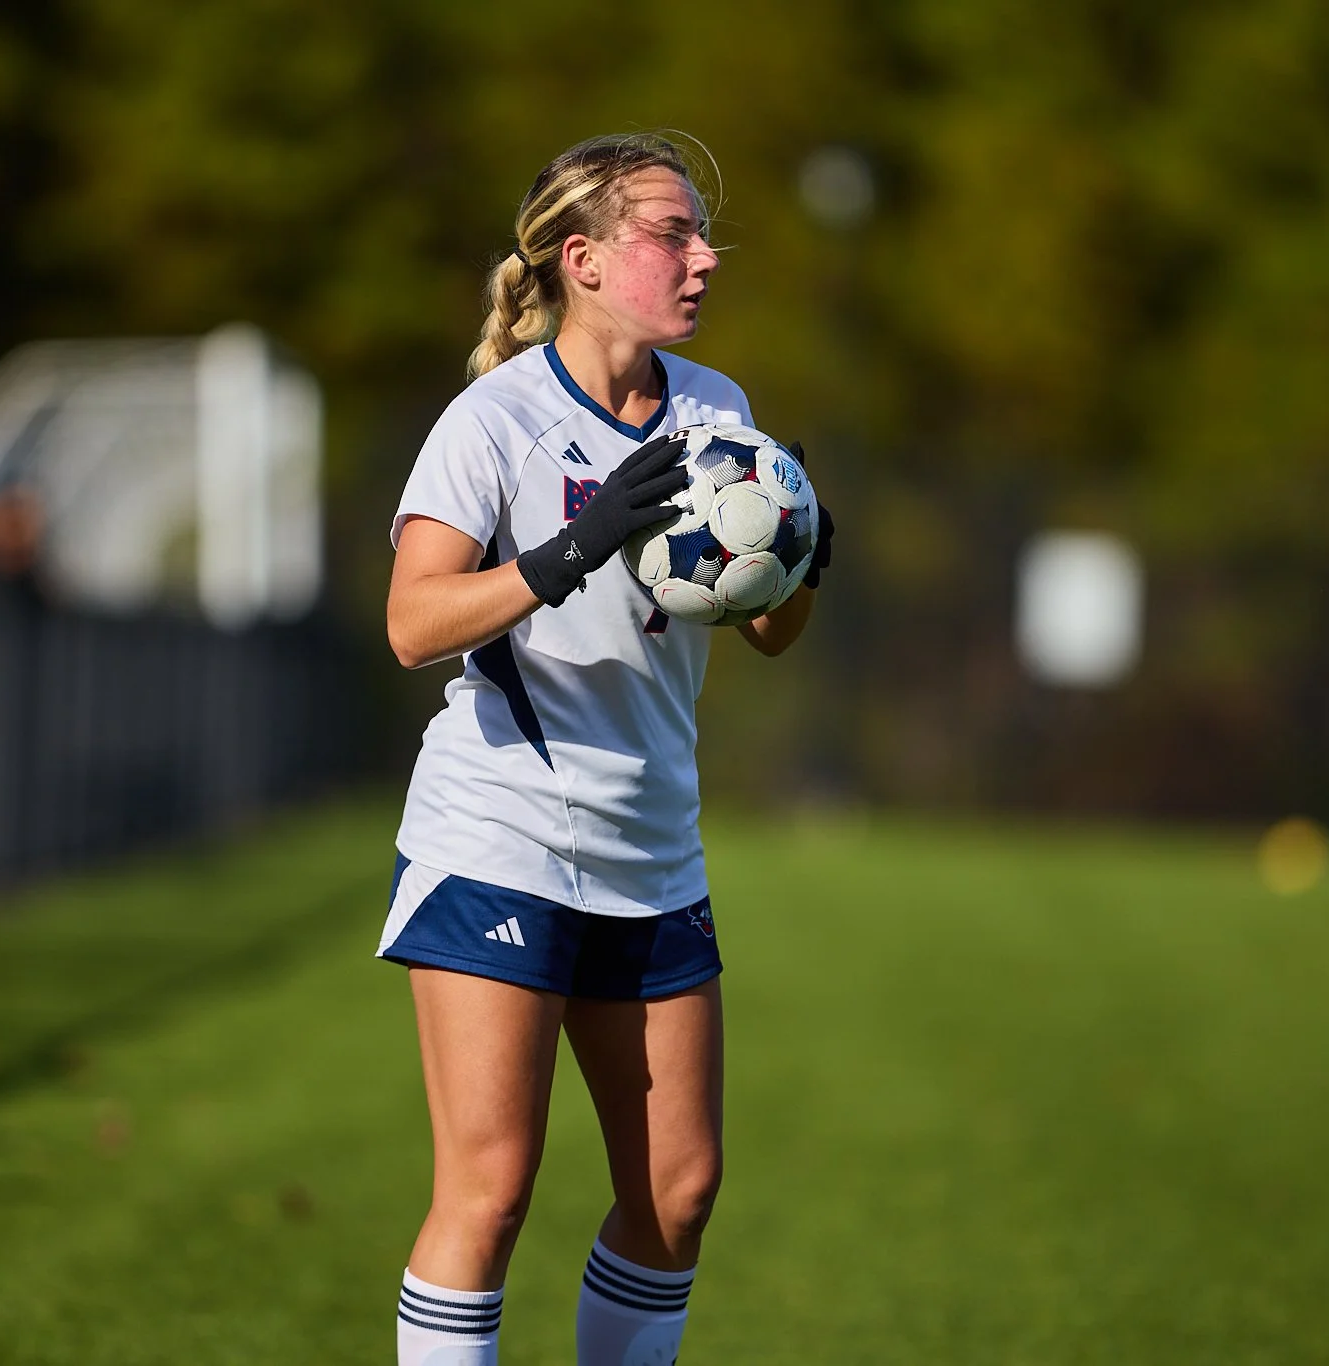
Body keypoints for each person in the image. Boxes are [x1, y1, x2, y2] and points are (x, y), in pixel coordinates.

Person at [379, 132, 834, 1366]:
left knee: (677, 1193)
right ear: (581, 260)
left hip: (651, 846)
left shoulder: (716, 407)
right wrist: (569, 550)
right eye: (672, 235)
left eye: (702, 235)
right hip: (501, 836)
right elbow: (412, 622)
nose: (703, 257)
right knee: (490, 1192)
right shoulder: (495, 420)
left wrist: (798, 556)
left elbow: (769, 634)